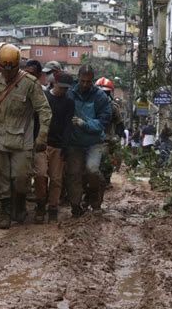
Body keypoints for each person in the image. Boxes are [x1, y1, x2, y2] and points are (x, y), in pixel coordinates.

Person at [0, 44, 51, 229]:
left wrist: (42, 136)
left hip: (22, 139)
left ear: (17, 65)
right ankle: (4, 212)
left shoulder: (30, 84)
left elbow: (44, 111)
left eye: (11, 68)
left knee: (21, 178)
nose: (7, 72)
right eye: (3, 68)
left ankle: (19, 204)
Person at [66, 65, 112, 217]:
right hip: (74, 143)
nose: (85, 84)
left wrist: (85, 124)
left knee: (92, 169)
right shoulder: (70, 94)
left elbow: (103, 122)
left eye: (88, 81)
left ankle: (94, 198)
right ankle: (75, 206)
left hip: (94, 142)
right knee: (74, 174)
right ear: (78, 78)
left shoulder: (100, 97)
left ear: (92, 80)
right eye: (82, 81)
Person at [33, 72, 75, 224]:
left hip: (59, 145)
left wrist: (65, 146)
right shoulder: (44, 98)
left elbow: (68, 125)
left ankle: (52, 208)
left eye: (66, 88)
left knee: (56, 179)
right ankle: (39, 204)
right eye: (61, 87)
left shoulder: (69, 102)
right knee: (40, 174)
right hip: (42, 143)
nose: (63, 90)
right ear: (54, 83)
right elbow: (36, 120)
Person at [95, 76, 124, 187]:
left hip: (108, 140)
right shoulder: (90, 104)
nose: (103, 95)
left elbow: (120, 125)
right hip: (92, 138)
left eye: (106, 92)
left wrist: (117, 137)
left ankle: (106, 179)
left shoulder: (113, 108)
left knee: (108, 160)